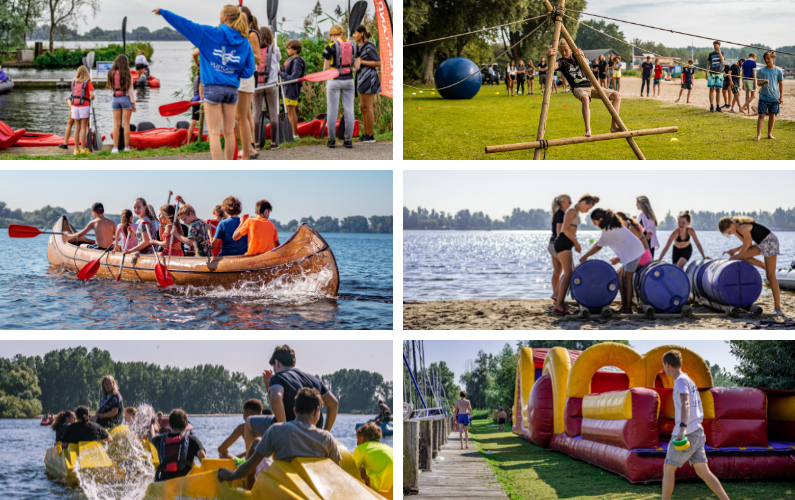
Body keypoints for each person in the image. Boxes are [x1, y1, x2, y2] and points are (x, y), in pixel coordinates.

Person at [155, 6, 255, 161]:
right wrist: (233, 74)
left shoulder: (209, 33)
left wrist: (164, 12)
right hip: (232, 90)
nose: (219, 16)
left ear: (225, 17)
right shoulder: (244, 41)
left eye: (220, 14)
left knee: (214, 133)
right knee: (229, 132)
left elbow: (185, 24)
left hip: (213, 88)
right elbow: (248, 71)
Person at [218, 388, 342, 488]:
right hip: (311, 490)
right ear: (316, 411)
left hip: (282, 488)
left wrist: (230, 475)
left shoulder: (276, 430)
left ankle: (250, 493)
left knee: (256, 442)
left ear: (294, 411)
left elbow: (249, 466)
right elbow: (337, 474)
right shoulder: (327, 438)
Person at [661, 350, 730, 500]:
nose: (663, 370)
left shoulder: (680, 380)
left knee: (668, 469)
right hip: (697, 431)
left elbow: (686, 404)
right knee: (702, 471)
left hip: (689, 431)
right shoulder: (688, 380)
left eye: (663, 366)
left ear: (667, 364)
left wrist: (682, 428)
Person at [547, 40, 622, 138]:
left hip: (590, 85)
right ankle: (588, 130)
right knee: (585, 98)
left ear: (570, 49)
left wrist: (582, 56)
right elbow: (552, 67)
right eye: (561, 51)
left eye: (566, 50)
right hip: (578, 88)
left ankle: (614, 126)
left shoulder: (578, 56)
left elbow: (587, 66)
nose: (564, 53)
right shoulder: (561, 62)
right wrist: (549, 57)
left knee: (617, 95)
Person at [579, 208, 645, 314]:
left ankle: (627, 309)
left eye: (594, 222)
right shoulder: (609, 227)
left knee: (627, 279)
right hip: (631, 251)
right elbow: (599, 243)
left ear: (600, 219)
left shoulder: (608, 230)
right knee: (623, 278)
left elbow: (598, 246)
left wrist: (586, 255)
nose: (594, 224)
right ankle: (624, 306)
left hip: (634, 251)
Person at [261, 345, 339, 431]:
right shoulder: (314, 379)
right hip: (314, 432)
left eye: (274, 367)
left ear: (277, 363)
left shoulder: (278, 377)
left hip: (291, 431)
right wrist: (325, 433)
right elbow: (333, 403)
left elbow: (276, 399)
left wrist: (284, 432)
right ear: (294, 363)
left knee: (249, 424)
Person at [719, 216, 782, 315]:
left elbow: (748, 242)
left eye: (728, 232)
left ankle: (778, 309)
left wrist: (738, 255)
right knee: (743, 256)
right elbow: (745, 242)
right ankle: (764, 267)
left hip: (770, 242)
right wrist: (735, 251)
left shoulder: (743, 227)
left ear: (732, 225)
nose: (729, 234)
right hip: (761, 244)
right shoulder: (737, 229)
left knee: (770, 277)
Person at [553, 194, 600, 315]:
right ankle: (558, 305)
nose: (587, 211)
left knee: (569, 273)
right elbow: (564, 229)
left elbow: (572, 230)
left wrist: (575, 242)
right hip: (563, 243)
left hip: (567, 244)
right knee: (568, 274)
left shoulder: (576, 212)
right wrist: (576, 243)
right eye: (588, 208)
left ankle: (559, 301)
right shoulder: (572, 210)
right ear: (583, 202)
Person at [323, 24, 362, 149]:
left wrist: (326, 83)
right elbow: (357, 67)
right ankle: (348, 140)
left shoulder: (330, 47)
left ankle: (331, 140)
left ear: (333, 35)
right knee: (349, 109)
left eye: (330, 36)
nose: (330, 39)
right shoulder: (354, 46)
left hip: (334, 80)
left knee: (332, 110)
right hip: (349, 80)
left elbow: (325, 69)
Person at [150, 409, 206, 482]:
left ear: (169, 424)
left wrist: (152, 424)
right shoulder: (192, 440)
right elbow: (204, 460)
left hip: (164, 484)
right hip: (185, 484)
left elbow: (152, 437)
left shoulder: (159, 439)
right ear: (186, 424)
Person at [235, 5, 261, 160]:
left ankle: (250, 148)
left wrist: (245, 48)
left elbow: (258, 58)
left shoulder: (251, 35)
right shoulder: (238, 34)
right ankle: (250, 147)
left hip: (247, 75)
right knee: (245, 115)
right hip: (238, 76)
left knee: (242, 116)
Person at [353, 26, 381, 143]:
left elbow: (378, 62)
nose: (353, 35)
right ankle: (365, 134)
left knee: (367, 107)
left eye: (355, 33)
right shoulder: (359, 47)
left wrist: (361, 62)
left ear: (362, 33)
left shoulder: (369, 46)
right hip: (361, 78)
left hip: (369, 78)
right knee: (362, 107)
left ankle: (370, 136)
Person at [107, 55, 136, 154]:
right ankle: (127, 148)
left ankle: (115, 148)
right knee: (126, 124)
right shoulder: (127, 74)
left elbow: (110, 88)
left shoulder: (111, 73)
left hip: (115, 98)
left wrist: (115, 93)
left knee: (116, 125)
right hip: (125, 98)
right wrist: (133, 103)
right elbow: (131, 91)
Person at [753, 50, 784, 141]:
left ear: (773, 58)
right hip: (763, 97)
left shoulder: (779, 71)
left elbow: (781, 84)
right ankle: (758, 135)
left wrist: (781, 96)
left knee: (772, 115)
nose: (766, 60)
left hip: (774, 97)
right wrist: (763, 82)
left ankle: (769, 134)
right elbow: (758, 83)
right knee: (761, 115)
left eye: (768, 58)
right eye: (765, 59)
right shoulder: (761, 70)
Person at [353, 422, 393, 493]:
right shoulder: (389, 449)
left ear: (362, 438)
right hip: (392, 490)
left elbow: (349, 470)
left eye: (358, 439)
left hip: (378, 490)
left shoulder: (361, 449)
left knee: (358, 466)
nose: (357, 443)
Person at [549, 194, 571, 301]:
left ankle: (556, 295)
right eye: (569, 202)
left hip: (552, 244)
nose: (571, 204)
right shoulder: (561, 214)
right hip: (557, 245)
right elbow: (559, 232)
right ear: (563, 203)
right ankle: (557, 294)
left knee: (557, 271)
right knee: (569, 271)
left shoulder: (558, 213)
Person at [69, 65, 95, 156]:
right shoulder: (88, 82)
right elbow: (92, 95)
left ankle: (76, 149)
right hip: (84, 106)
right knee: (83, 127)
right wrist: (93, 97)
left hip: (74, 107)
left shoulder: (73, 81)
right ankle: (83, 149)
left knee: (77, 128)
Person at [187, 50, 203, 145]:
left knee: (193, 121)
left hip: (194, 100)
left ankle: (188, 142)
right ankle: (205, 140)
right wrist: (202, 101)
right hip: (199, 101)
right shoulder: (202, 77)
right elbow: (201, 89)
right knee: (202, 120)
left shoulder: (196, 77)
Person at [707, 41, 725, 112]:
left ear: (719, 46)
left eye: (717, 45)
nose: (715, 47)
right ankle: (711, 106)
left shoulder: (722, 52)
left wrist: (719, 51)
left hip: (719, 73)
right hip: (711, 73)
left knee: (718, 90)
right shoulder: (711, 54)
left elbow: (722, 60)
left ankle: (718, 106)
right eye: (714, 45)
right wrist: (706, 72)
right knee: (711, 90)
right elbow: (708, 64)